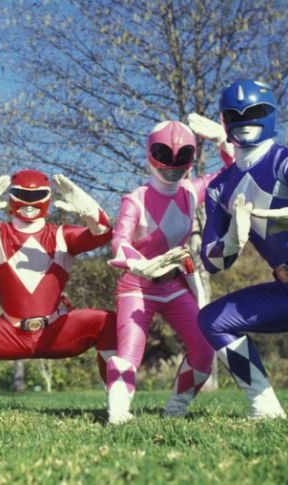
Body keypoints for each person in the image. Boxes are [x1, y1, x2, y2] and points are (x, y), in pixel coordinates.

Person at [0, 169, 117, 420]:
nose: (29, 203)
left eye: (37, 196)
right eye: (22, 195)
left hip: (55, 332)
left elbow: (104, 233)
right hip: (10, 332)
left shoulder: (62, 235)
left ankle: (118, 404)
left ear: (47, 198)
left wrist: (89, 210)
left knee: (107, 321)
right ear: (11, 197)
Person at [197, 79, 288, 418]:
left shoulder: (287, 161)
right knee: (213, 320)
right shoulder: (219, 188)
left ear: (269, 113)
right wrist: (232, 241)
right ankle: (264, 407)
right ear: (225, 120)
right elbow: (210, 260)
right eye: (235, 115)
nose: (245, 121)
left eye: (254, 112)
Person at [105, 119, 234, 424]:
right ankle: (118, 413)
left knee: (204, 349)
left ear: (191, 157)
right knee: (130, 351)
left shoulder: (190, 191)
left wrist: (223, 141)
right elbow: (119, 242)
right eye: (164, 154)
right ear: (151, 154)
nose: (172, 165)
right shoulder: (136, 200)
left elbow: (233, 172)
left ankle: (176, 409)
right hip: (137, 285)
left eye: (182, 156)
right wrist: (138, 264)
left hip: (175, 286)